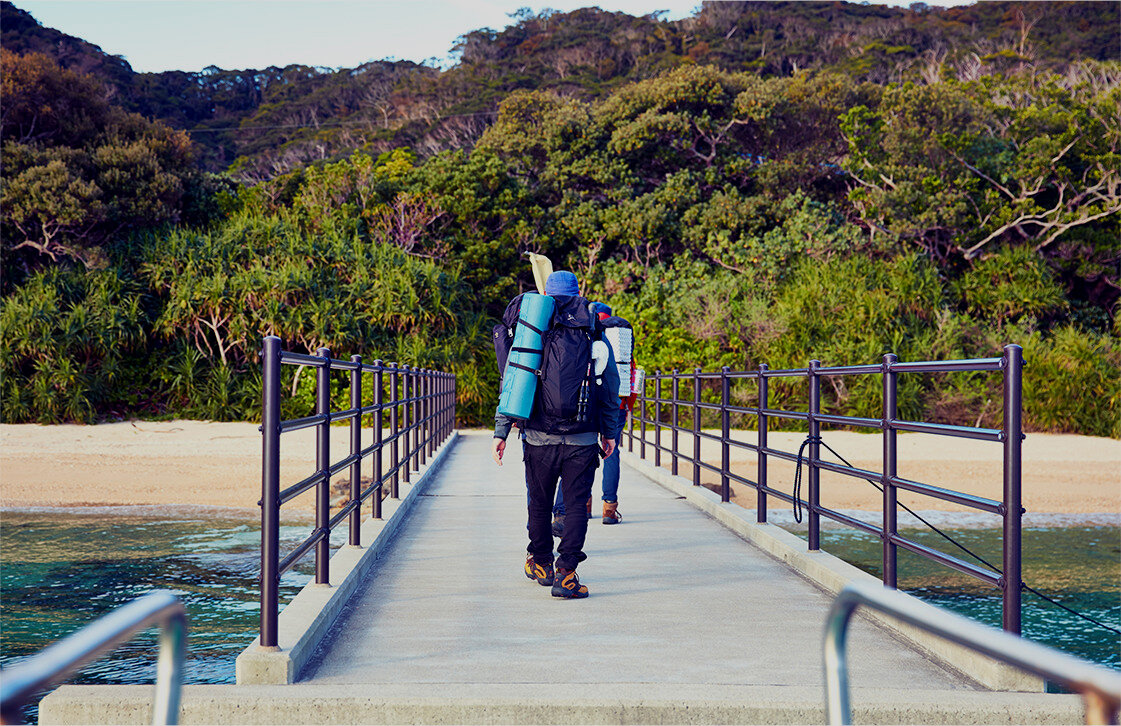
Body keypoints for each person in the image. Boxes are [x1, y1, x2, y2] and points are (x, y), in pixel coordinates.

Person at [492, 270, 621, 599]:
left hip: (538, 437)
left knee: (539, 503)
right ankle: (567, 575)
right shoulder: (592, 328)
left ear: (546, 294)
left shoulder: (532, 330)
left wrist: (502, 431)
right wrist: (610, 432)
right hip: (582, 437)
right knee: (576, 506)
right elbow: (609, 388)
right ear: (578, 293)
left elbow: (513, 381)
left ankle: (541, 563)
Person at [551, 301, 635, 533]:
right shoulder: (621, 336)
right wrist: (626, 406)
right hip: (616, 403)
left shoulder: (583, 330)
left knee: (579, 452)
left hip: (586, 401)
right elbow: (631, 375)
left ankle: (580, 506)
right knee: (611, 452)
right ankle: (609, 508)